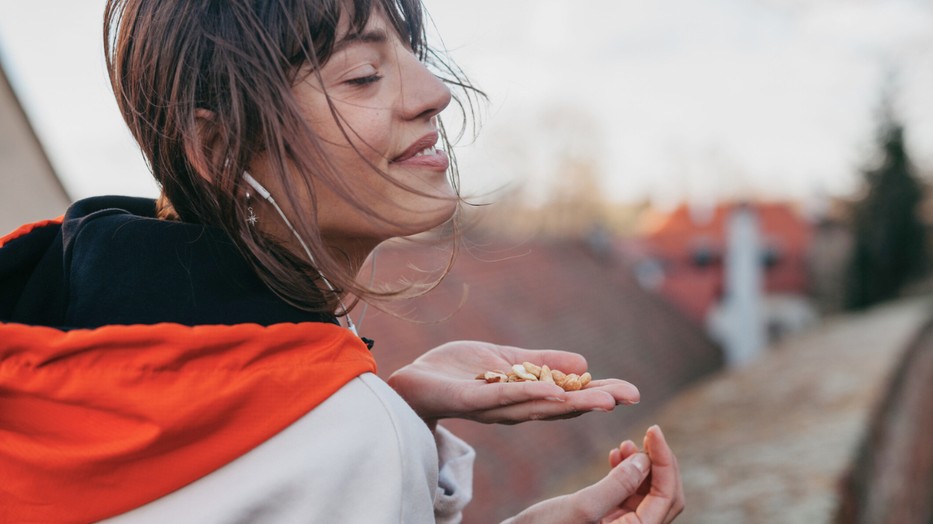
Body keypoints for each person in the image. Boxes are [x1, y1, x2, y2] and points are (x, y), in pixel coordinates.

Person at [0, 0, 685, 522]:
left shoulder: (61, 334)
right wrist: (375, 429)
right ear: (217, 148)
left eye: (412, 53)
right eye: (363, 74)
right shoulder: (341, 432)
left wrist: (395, 411)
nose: (433, 93)